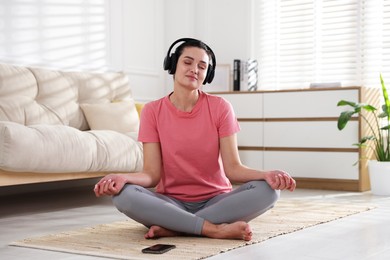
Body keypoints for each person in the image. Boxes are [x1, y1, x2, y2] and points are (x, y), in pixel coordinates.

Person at [94, 38, 296, 241]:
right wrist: (123, 178)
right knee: (123, 195)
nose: (195, 70)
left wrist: (267, 175)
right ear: (173, 65)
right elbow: (151, 175)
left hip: (217, 202)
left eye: (202, 66)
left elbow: (234, 169)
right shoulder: (152, 111)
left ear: (207, 74)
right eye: (188, 62)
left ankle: (175, 227)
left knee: (270, 192)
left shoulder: (220, 107)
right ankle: (213, 229)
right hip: (170, 202)